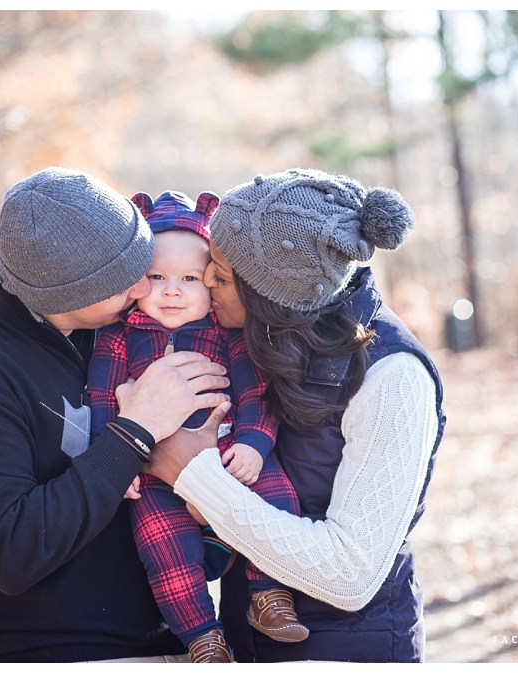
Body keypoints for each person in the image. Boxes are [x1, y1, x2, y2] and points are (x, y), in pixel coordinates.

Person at [0, 167, 233, 663]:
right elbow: (11, 552)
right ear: (67, 294)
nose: (147, 287)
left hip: (182, 637)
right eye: (129, 276)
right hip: (64, 653)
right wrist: (134, 434)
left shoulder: (116, 326)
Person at [147, 168, 446, 663]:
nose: (205, 282)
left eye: (220, 274)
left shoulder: (393, 377)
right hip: (254, 640)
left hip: (346, 649)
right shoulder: (271, 339)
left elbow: (351, 574)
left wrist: (193, 478)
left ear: (270, 292)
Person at [87, 190, 308, 663]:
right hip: (152, 471)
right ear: (135, 282)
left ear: (212, 283)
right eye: (157, 277)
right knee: (163, 547)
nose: (172, 290)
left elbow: (255, 394)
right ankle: (203, 637)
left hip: (229, 453)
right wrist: (116, 462)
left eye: (188, 278)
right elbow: (102, 400)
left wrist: (253, 443)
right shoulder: (118, 337)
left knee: (277, 495)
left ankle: (268, 595)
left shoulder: (227, 333)